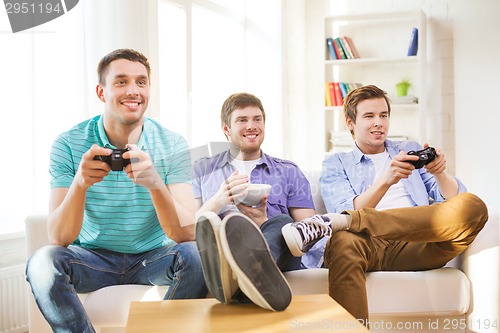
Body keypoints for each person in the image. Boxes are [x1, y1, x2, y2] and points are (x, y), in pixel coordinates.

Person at [25, 48, 207, 333]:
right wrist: (80, 183)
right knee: (41, 263)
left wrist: (155, 183)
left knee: (197, 255)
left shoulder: (172, 145)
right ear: (101, 92)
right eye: (121, 82)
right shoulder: (68, 143)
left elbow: (186, 233)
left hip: (152, 259)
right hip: (92, 259)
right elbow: (59, 238)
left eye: (141, 82)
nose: (133, 91)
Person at [281, 85, 488, 324]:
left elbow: (451, 201)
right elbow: (345, 204)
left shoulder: (408, 149)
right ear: (350, 123)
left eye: (383, 115)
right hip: (368, 245)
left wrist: (440, 173)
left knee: (474, 206)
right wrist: (386, 181)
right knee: (342, 240)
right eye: (369, 116)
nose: (378, 122)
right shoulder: (336, 163)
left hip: (419, 240)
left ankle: (341, 222)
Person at [192, 92, 316, 311]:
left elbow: (310, 231)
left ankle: (236, 280)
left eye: (257, 119)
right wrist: (219, 200)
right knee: (218, 227)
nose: (251, 126)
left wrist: (264, 220)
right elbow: (189, 228)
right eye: (242, 120)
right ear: (226, 129)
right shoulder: (202, 169)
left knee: (282, 223)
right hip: (223, 251)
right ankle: (247, 280)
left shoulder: (288, 171)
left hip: (279, 255)